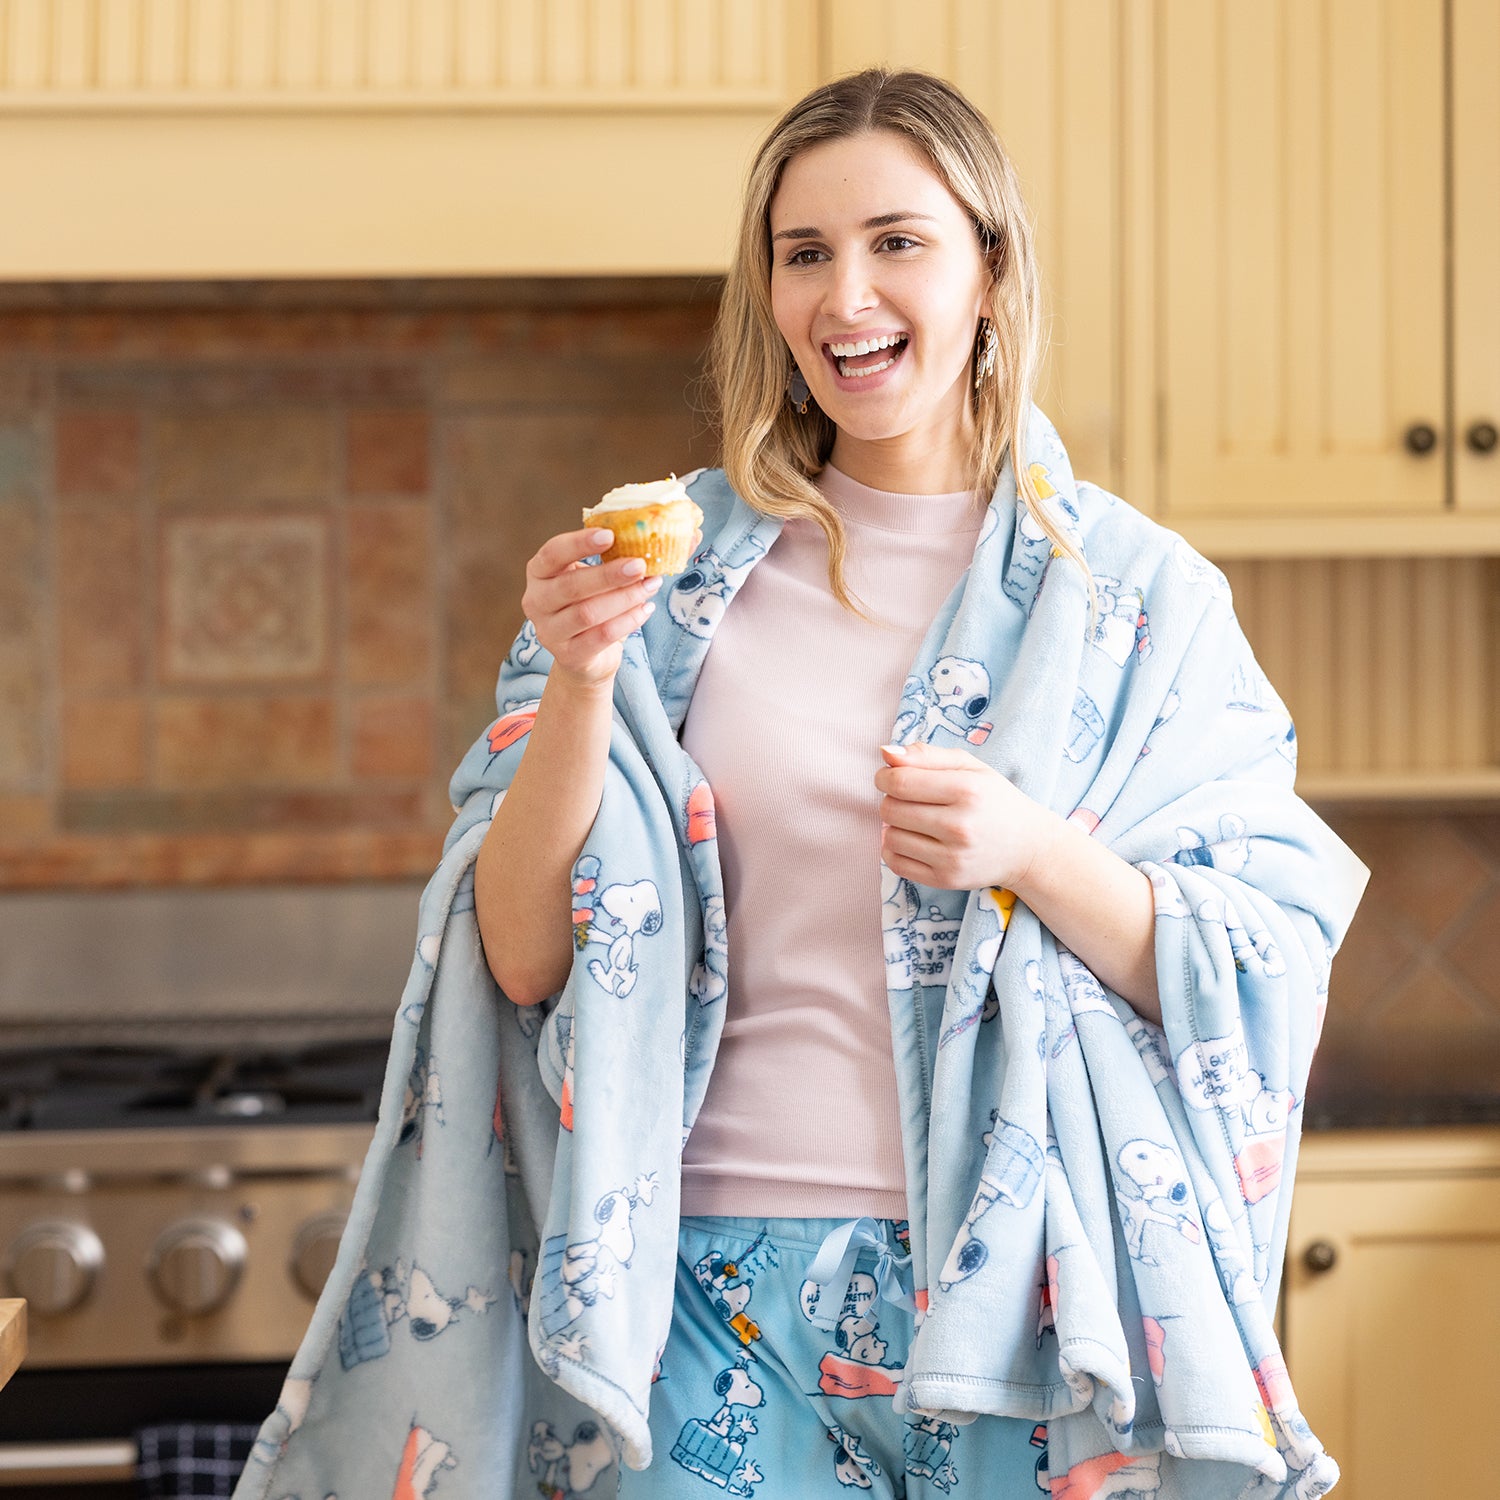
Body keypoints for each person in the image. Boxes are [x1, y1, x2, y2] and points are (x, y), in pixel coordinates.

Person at [235, 69, 1367, 1500]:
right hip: (713, 1298)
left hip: (1020, 1285)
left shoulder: (1140, 600)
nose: (848, 298)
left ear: (990, 268)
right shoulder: (660, 577)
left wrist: (1030, 847)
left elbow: (1260, 963)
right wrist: (581, 681)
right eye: (805, 253)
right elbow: (517, 958)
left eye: (898, 242)